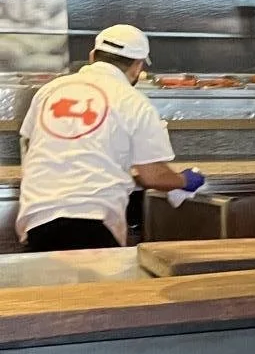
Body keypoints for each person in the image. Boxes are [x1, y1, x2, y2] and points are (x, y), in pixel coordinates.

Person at [17, 25, 204, 251]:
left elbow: (28, 144)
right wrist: (185, 180)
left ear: (92, 56)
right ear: (137, 67)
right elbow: (153, 176)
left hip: (37, 219)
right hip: (93, 219)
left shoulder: (49, 90)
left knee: (52, 286)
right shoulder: (134, 102)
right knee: (97, 288)